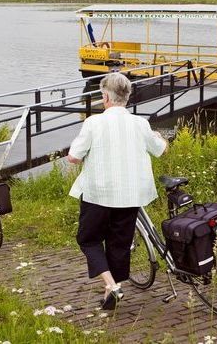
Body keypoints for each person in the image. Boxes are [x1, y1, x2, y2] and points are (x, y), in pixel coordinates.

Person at [67, 73, 167, 310]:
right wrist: (160, 138)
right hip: (130, 195)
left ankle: (111, 285)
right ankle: (111, 294)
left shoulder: (93, 122)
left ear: (105, 97)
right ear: (128, 97)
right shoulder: (141, 124)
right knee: (119, 244)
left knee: (89, 240)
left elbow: (73, 157)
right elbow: (161, 150)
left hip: (98, 194)